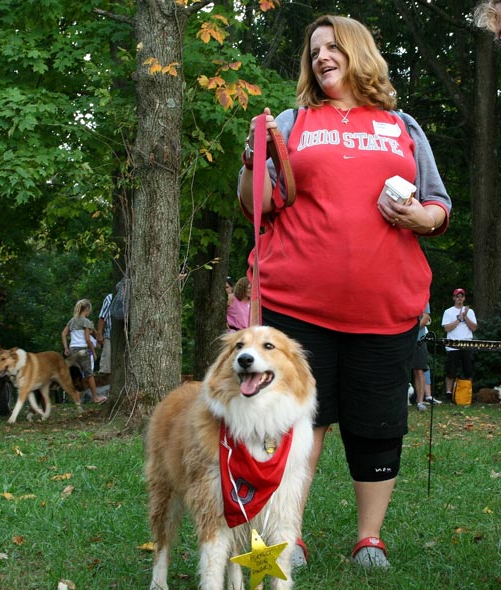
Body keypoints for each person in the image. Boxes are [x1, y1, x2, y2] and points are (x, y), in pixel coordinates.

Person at [237, 15, 451, 569]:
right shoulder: (292, 122)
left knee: (378, 424)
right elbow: (257, 203)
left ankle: (369, 539)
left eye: (333, 46)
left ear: (359, 52)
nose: (322, 57)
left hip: (385, 308)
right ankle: (287, 536)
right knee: (297, 424)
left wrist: (420, 216)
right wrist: (253, 158)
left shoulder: (403, 125)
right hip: (295, 306)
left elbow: (437, 205)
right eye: (314, 52)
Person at [62, 299, 107, 404]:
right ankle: (95, 397)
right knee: (89, 374)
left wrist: (66, 348)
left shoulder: (72, 321)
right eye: (89, 310)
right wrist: (93, 352)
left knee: (76, 375)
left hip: (72, 349)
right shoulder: (86, 322)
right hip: (83, 349)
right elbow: (87, 339)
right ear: (86, 309)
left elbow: (63, 334)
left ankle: (77, 400)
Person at [442, 288, 478, 398]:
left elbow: (474, 328)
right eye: (457, 296)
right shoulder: (448, 311)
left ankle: (468, 394)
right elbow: (447, 328)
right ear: (454, 298)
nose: (459, 298)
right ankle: (449, 394)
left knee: (468, 370)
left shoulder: (470, 311)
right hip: (453, 345)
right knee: (450, 371)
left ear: (464, 298)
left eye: (461, 296)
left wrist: (465, 316)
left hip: (467, 344)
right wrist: (459, 318)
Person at [412, 303, 441, 411]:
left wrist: (410, 331)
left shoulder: (423, 297)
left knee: (419, 370)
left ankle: (420, 402)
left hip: (419, 339)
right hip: (403, 339)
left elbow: (425, 318)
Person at [97, 292, 113, 386]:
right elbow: (102, 317)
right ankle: (106, 389)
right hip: (109, 336)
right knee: (107, 367)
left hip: (127, 337)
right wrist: (99, 334)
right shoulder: (110, 298)